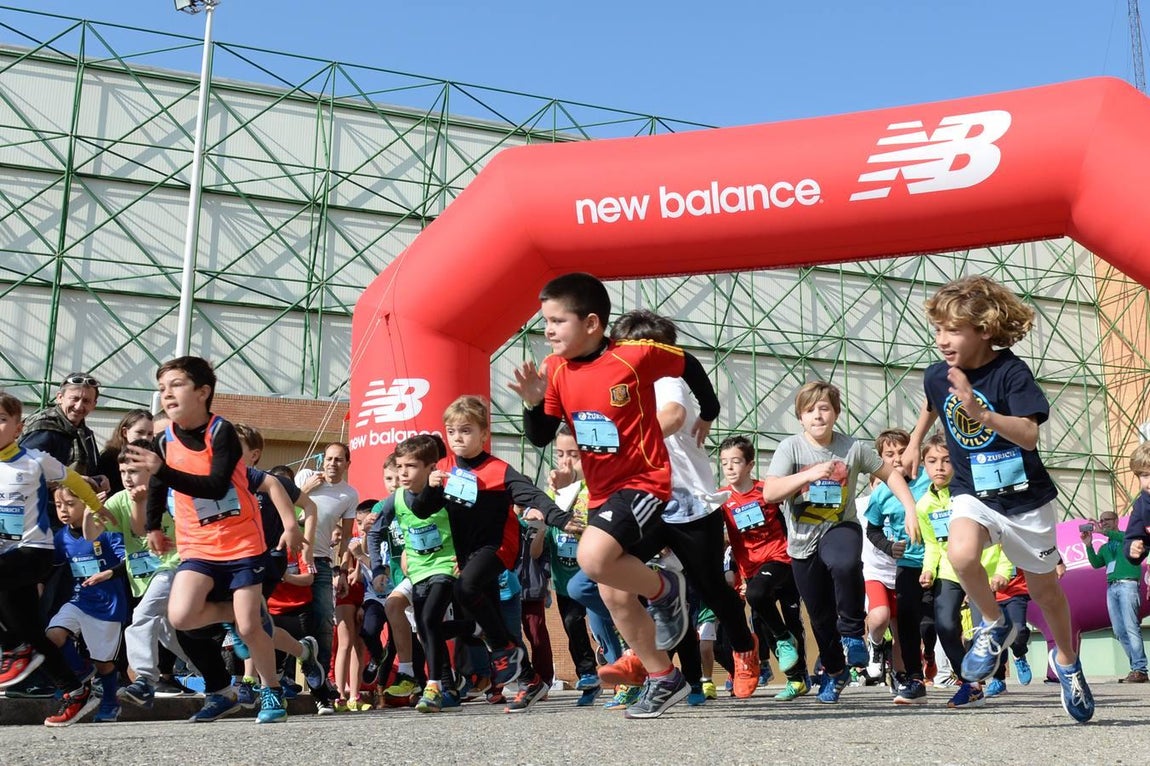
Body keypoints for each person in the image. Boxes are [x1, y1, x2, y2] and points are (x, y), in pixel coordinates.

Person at [512, 272, 720, 719]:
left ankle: (667, 589)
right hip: (602, 491)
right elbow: (541, 436)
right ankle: (665, 677)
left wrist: (710, 411)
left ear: (591, 323)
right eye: (544, 321)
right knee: (614, 594)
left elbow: (689, 364)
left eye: (556, 321)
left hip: (644, 482)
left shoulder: (634, 356)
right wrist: (532, 401)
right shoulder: (556, 370)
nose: (547, 330)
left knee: (593, 559)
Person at [908, 275, 1094, 723]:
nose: (942, 340)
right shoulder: (939, 373)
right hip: (973, 490)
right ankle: (993, 625)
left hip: (1024, 498)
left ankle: (1067, 662)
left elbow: (1029, 436)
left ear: (984, 330)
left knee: (1045, 591)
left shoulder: (1011, 373)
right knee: (961, 553)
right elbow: (933, 403)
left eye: (952, 331)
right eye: (937, 330)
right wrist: (915, 440)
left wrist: (983, 414)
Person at [126, 355, 304, 724]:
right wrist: (154, 526)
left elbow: (216, 485)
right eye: (161, 388)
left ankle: (271, 692)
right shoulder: (164, 440)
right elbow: (158, 485)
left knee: (250, 627)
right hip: (198, 544)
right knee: (181, 615)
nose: (166, 394)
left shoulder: (220, 432)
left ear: (203, 392)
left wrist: (164, 470)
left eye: (176, 385)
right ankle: (237, 615)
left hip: (241, 542)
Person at [610, 309, 761, 699]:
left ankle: (745, 648)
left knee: (712, 589)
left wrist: (632, 437)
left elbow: (674, 416)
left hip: (691, 504)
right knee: (612, 568)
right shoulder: (618, 386)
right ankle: (641, 656)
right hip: (648, 502)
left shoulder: (665, 378)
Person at [763, 380, 918, 705]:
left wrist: (909, 508)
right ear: (800, 416)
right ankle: (835, 672)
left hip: (839, 527)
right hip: (802, 542)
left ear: (836, 412)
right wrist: (808, 475)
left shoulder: (853, 448)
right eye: (810, 410)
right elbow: (770, 493)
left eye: (824, 408)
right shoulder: (790, 448)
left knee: (845, 562)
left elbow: (890, 474)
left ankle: (852, 634)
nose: (817, 416)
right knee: (819, 616)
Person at [412, 395, 569, 714]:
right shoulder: (445, 469)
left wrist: (563, 519)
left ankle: (503, 650)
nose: (458, 437)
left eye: (466, 430)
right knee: (492, 621)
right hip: (469, 557)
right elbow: (421, 510)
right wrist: (430, 487)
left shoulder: (499, 470)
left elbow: (534, 496)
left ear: (485, 434)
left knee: (465, 588)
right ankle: (530, 679)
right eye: (452, 431)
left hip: (499, 549)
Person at [0, 392, 110, 725]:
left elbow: (73, 479)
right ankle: (76, 690)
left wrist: (95, 505)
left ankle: (12, 646)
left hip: (34, 552)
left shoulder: (34, 459)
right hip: (5, 558)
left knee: (19, 638)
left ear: (19, 427)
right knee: (32, 633)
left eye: (3, 419)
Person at [93, 439, 191, 710]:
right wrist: (93, 509)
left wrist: (141, 500)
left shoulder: (168, 493)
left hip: (173, 566)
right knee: (167, 632)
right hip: (143, 575)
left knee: (142, 617)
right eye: (123, 472)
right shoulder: (120, 498)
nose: (127, 478)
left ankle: (145, 680)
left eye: (133, 471)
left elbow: (139, 529)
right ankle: (215, 674)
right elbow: (92, 534)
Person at [717, 434, 809, 702]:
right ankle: (795, 679)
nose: (730, 468)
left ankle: (798, 667)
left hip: (782, 560)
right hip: (752, 569)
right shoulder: (722, 500)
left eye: (736, 462)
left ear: (749, 465)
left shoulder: (766, 491)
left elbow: (795, 506)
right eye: (724, 463)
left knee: (788, 616)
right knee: (762, 622)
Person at [864, 428, 932, 704]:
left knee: (930, 624)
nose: (896, 458)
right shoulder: (880, 494)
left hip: (933, 563)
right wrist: (889, 547)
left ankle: (921, 668)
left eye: (901, 451)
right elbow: (873, 530)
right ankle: (911, 676)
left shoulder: (929, 480)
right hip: (897, 567)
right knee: (899, 622)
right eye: (888, 454)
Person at [52, 483, 128, 724]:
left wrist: (108, 574)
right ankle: (82, 671)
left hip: (108, 605)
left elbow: (127, 561)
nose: (63, 510)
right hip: (78, 599)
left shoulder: (106, 529)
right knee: (52, 636)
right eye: (58, 505)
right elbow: (51, 567)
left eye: (70, 504)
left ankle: (109, 702)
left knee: (104, 663)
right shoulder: (60, 537)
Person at [294, 442, 359, 697]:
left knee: (323, 619)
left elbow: (345, 538)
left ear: (347, 464)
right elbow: (283, 508)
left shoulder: (349, 494)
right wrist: (305, 491)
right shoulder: (304, 478)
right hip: (291, 557)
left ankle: (321, 683)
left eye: (339, 459)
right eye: (329, 459)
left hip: (321, 561)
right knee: (287, 618)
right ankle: (283, 678)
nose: (333, 463)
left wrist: (342, 570)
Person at [1087, 448, 1148, 684]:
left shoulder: (1124, 535)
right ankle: (1135, 667)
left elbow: (1129, 540)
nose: (1104, 524)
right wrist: (1089, 544)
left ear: (1115, 521)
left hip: (1128, 585)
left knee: (1131, 626)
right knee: (1119, 630)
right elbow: (1095, 564)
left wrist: (1108, 533)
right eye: (1102, 521)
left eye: (1108, 520)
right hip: (1111, 587)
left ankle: (1141, 669)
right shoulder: (1105, 547)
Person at [19, 373, 107, 492]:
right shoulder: (43, 428)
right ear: (60, 397)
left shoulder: (85, 435)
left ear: (94, 405)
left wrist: (99, 479)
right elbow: (22, 473)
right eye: (74, 399)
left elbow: (88, 473)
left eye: (86, 401)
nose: (79, 406)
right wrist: (74, 481)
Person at [96, 409, 154, 495]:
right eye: (140, 432)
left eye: (150, 434)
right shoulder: (109, 458)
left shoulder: (156, 457)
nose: (145, 438)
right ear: (125, 432)